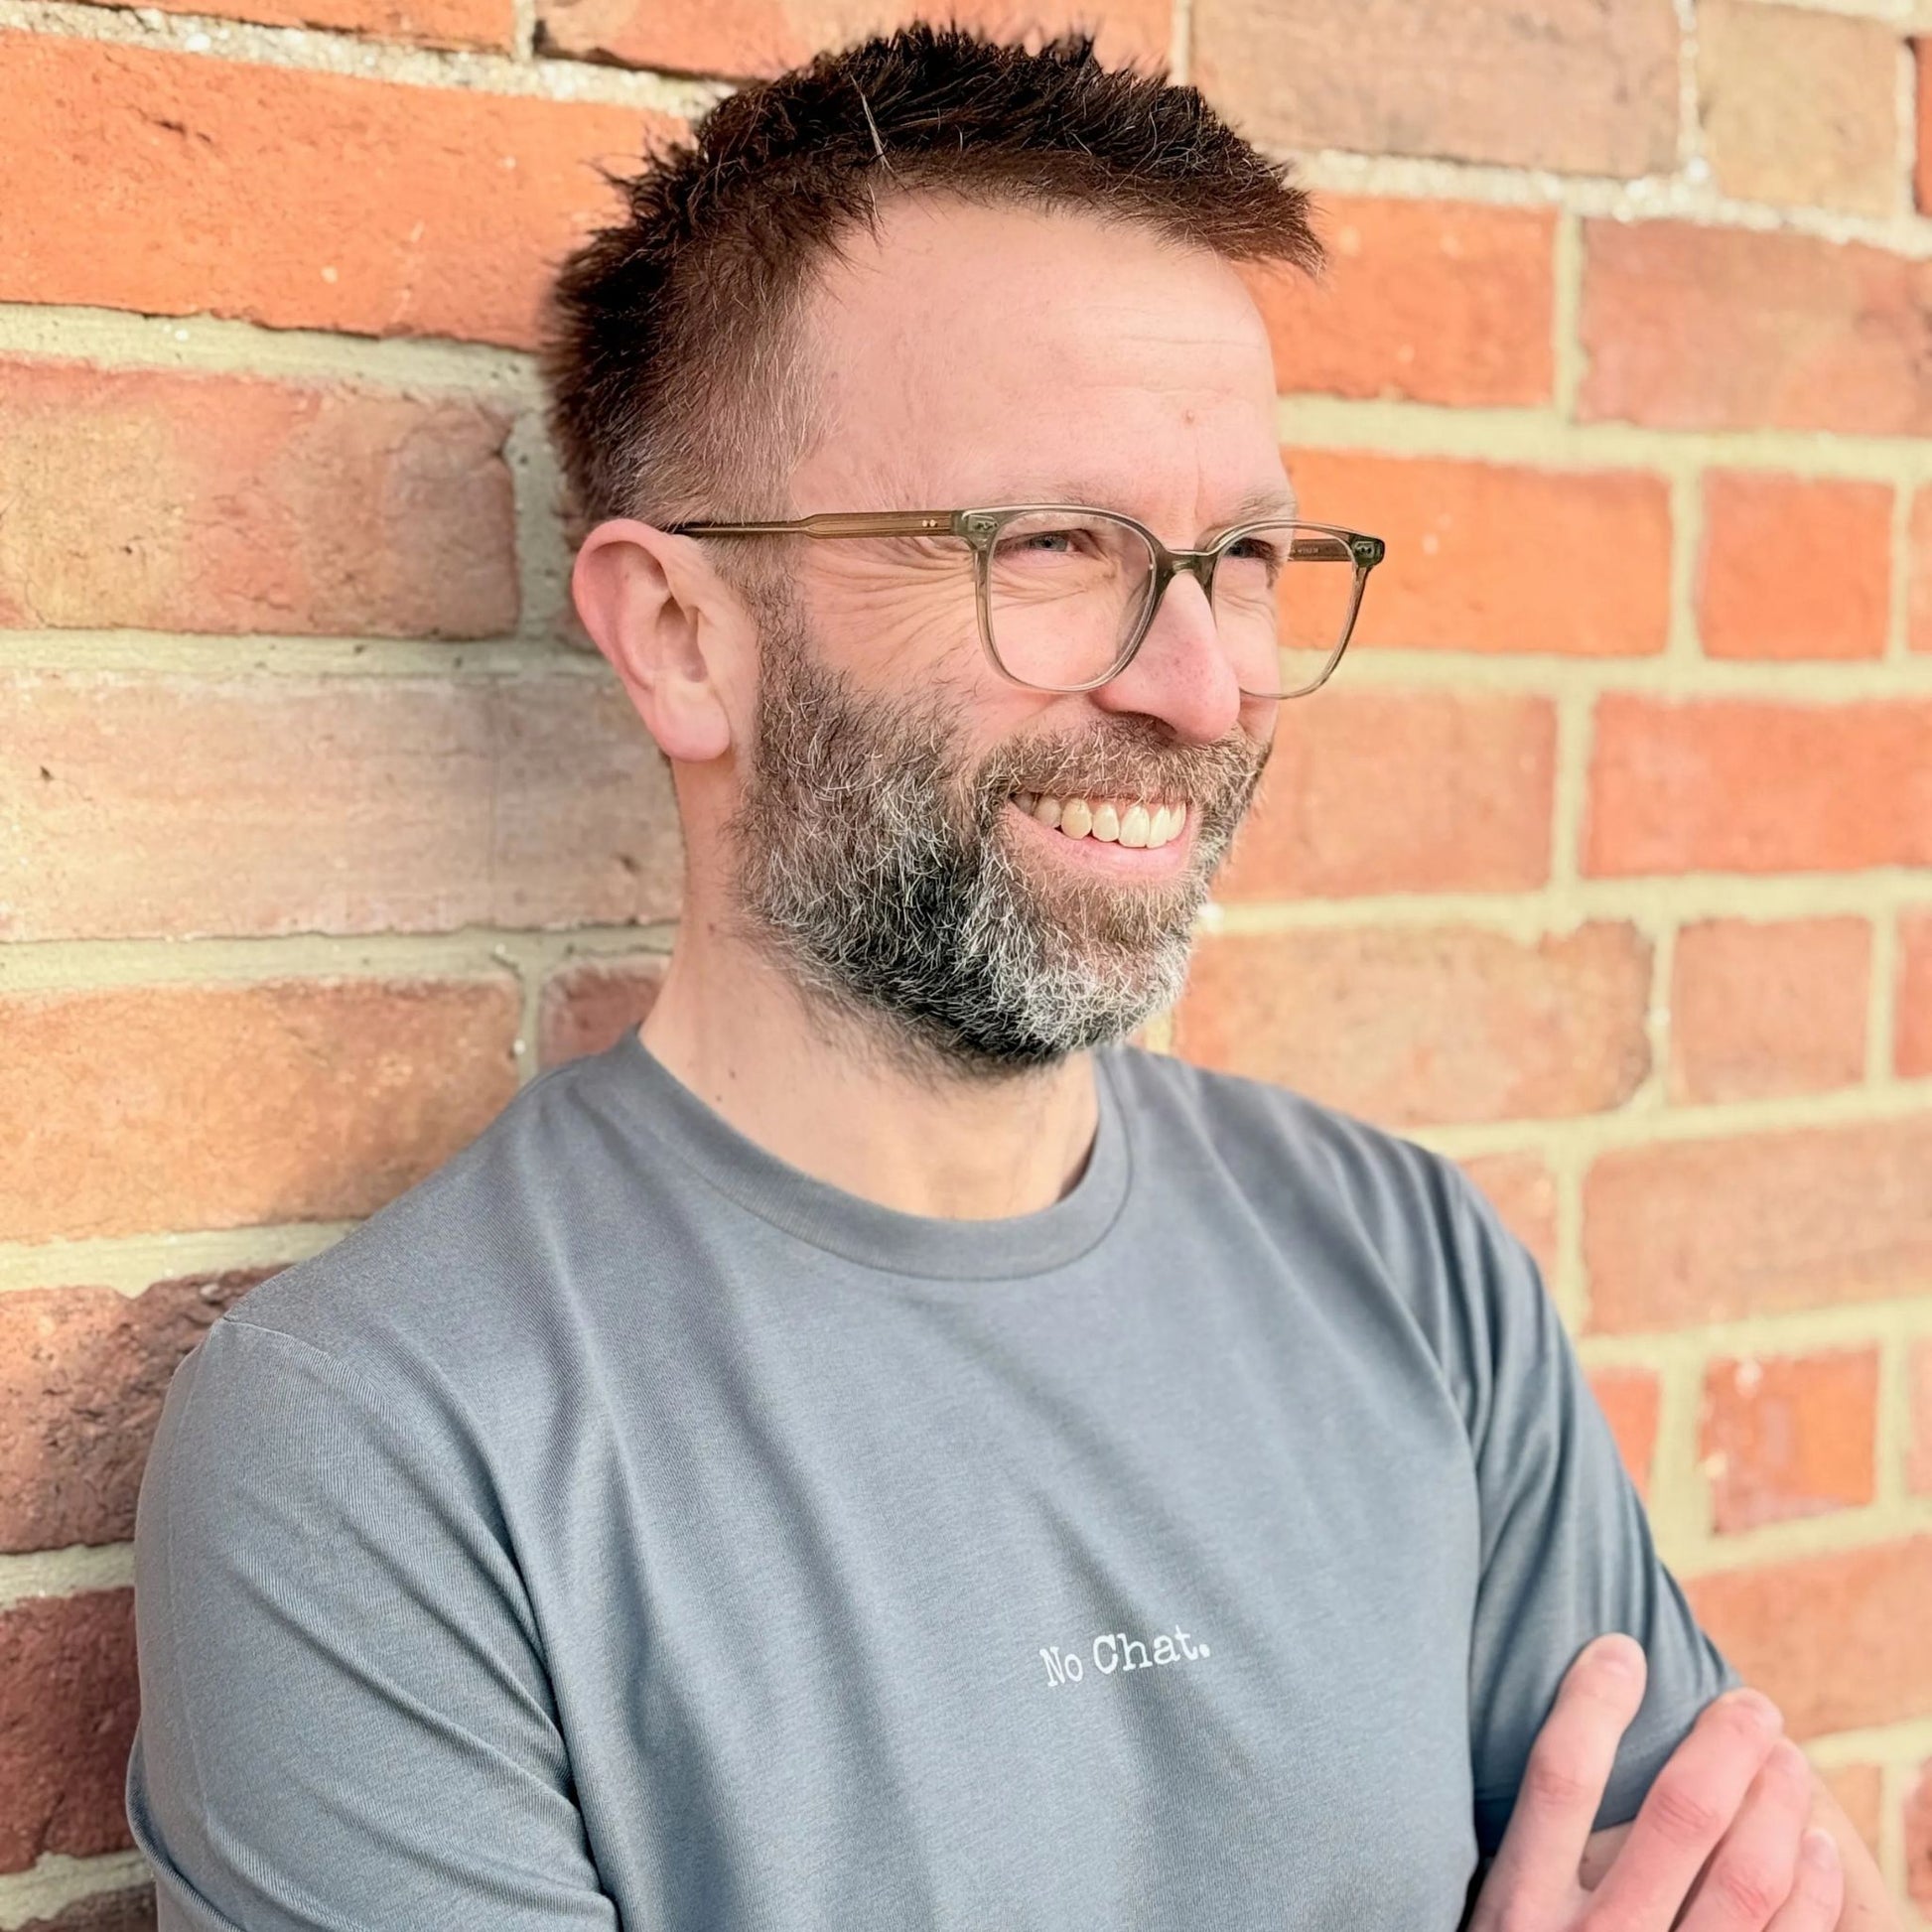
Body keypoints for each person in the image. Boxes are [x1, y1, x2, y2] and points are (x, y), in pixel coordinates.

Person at [124, 24, 1892, 1930]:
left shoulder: (1405, 1265)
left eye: (1245, 558)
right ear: (679, 634)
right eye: (1054, 545)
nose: (1200, 687)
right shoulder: (390, 1447)